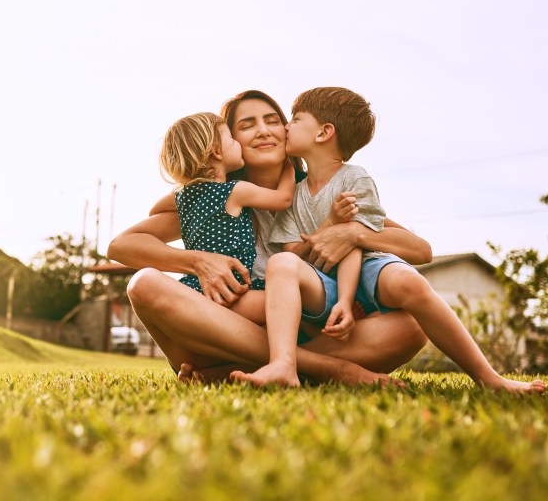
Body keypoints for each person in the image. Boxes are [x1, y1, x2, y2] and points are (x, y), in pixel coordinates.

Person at [108, 90, 432, 386]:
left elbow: (420, 249)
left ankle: (245, 370)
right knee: (144, 284)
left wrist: (353, 231)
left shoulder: (323, 192)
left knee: (411, 328)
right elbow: (122, 245)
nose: (263, 131)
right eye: (247, 125)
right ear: (225, 143)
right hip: (218, 334)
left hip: (311, 333)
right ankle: (327, 369)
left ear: (288, 131)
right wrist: (196, 261)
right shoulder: (216, 198)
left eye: (273, 121)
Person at [267, 86, 545, 394]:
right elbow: (295, 253)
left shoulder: (354, 179)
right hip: (324, 278)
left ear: (324, 132)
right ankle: (296, 364)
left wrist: (347, 296)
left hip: (368, 261)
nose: (286, 125)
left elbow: (357, 243)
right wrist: (330, 228)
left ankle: (488, 376)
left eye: (295, 118)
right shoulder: (292, 197)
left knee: (408, 283)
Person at [156, 111, 328, 387]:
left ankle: (224, 371)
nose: (238, 143)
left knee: (266, 325)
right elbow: (284, 198)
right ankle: (299, 365)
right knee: (294, 314)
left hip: (196, 290)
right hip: (237, 289)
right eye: (231, 140)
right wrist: (288, 169)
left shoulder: (182, 196)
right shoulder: (234, 191)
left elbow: (154, 210)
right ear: (216, 152)